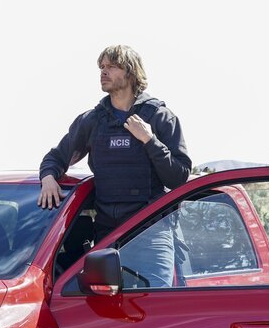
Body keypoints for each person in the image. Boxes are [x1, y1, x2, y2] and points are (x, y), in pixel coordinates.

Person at [38, 45, 191, 287]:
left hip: (151, 235)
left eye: (111, 66)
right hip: (108, 237)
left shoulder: (160, 117)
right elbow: (56, 158)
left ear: (130, 72)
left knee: (156, 313)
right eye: (101, 67)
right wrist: (48, 178)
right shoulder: (92, 120)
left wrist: (149, 140)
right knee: (108, 318)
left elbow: (179, 178)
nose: (103, 72)